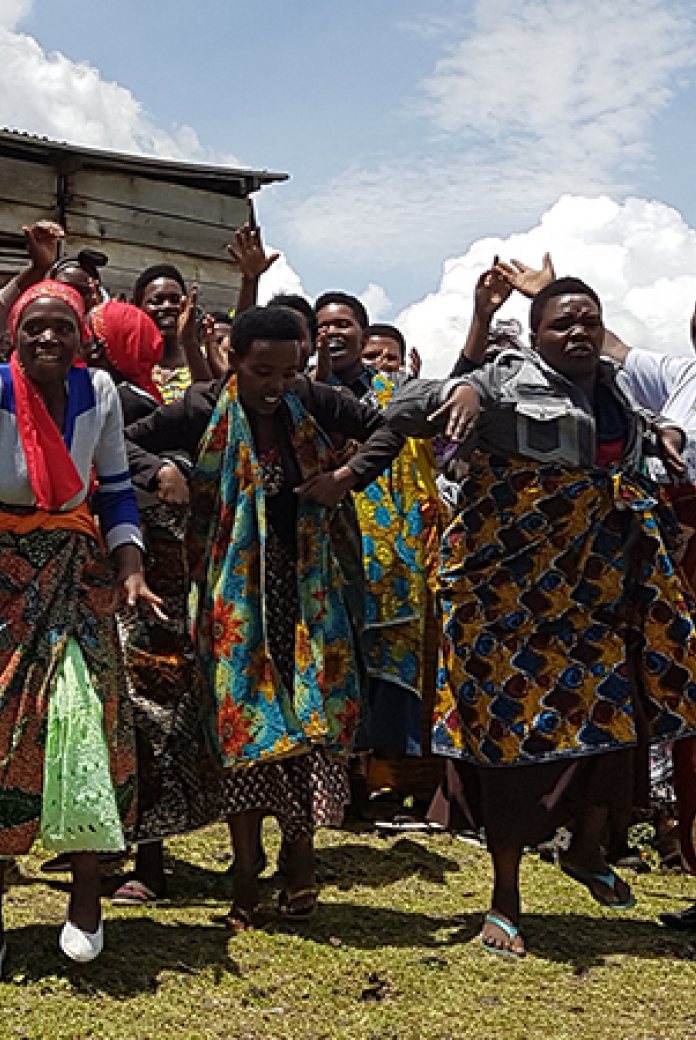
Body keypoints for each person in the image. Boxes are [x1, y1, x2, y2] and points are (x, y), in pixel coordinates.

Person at [386, 276, 696, 957]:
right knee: (507, 749)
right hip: (502, 603)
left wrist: (660, 436)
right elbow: (403, 406)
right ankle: (505, 901)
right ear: (537, 333)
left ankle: (587, 849)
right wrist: (455, 389)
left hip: (590, 597)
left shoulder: (616, 390)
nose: (579, 333)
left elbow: (625, 457)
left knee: (615, 721)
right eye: (562, 325)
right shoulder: (503, 374)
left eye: (589, 321)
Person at [125, 305, 403, 928]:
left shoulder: (315, 401)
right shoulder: (199, 407)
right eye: (261, 371)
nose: (276, 385)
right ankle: (246, 881)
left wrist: (346, 475)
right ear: (234, 362)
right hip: (233, 599)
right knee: (243, 732)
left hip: (309, 596)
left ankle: (299, 869)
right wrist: (162, 469)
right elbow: (122, 441)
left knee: (305, 730)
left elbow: (391, 427)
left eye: (288, 370)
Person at [0, 280, 160, 970]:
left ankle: (87, 889)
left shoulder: (99, 392)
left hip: (74, 569)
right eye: (33, 327)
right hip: (3, 571)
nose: (47, 339)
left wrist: (131, 569)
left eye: (61, 327)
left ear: (82, 337)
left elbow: (117, 488)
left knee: (86, 716)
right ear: (14, 333)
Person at [315, 292, 443, 822]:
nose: (333, 333)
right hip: (320, 548)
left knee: (390, 674)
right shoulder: (298, 391)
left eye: (344, 324)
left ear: (364, 336)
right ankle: (335, 790)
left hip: (389, 554)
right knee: (329, 667)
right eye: (323, 326)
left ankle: (388, 787)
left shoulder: (394, 394)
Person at [132, 263, 212, 398]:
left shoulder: (205, 359)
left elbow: (211, 404)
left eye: (175, 300)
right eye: (156, 301)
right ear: (138, 308)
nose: (167, 306)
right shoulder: (130, 365)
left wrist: (189, 342)